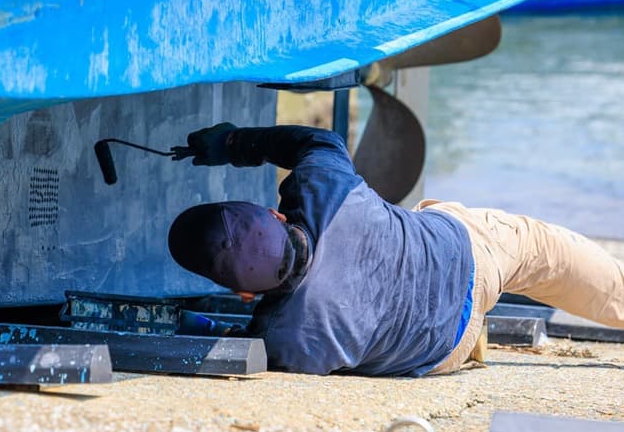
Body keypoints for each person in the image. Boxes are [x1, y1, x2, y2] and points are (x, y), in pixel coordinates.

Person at [168, 123, 624, 376]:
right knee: (540, 247)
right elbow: (318, 141)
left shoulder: (287, 340)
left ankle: (474, 336)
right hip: (472, 255)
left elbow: (257, 347)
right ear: (278, 215)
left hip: (444, 348)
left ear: (245, 296)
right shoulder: (324, 187)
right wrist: (234, 143)